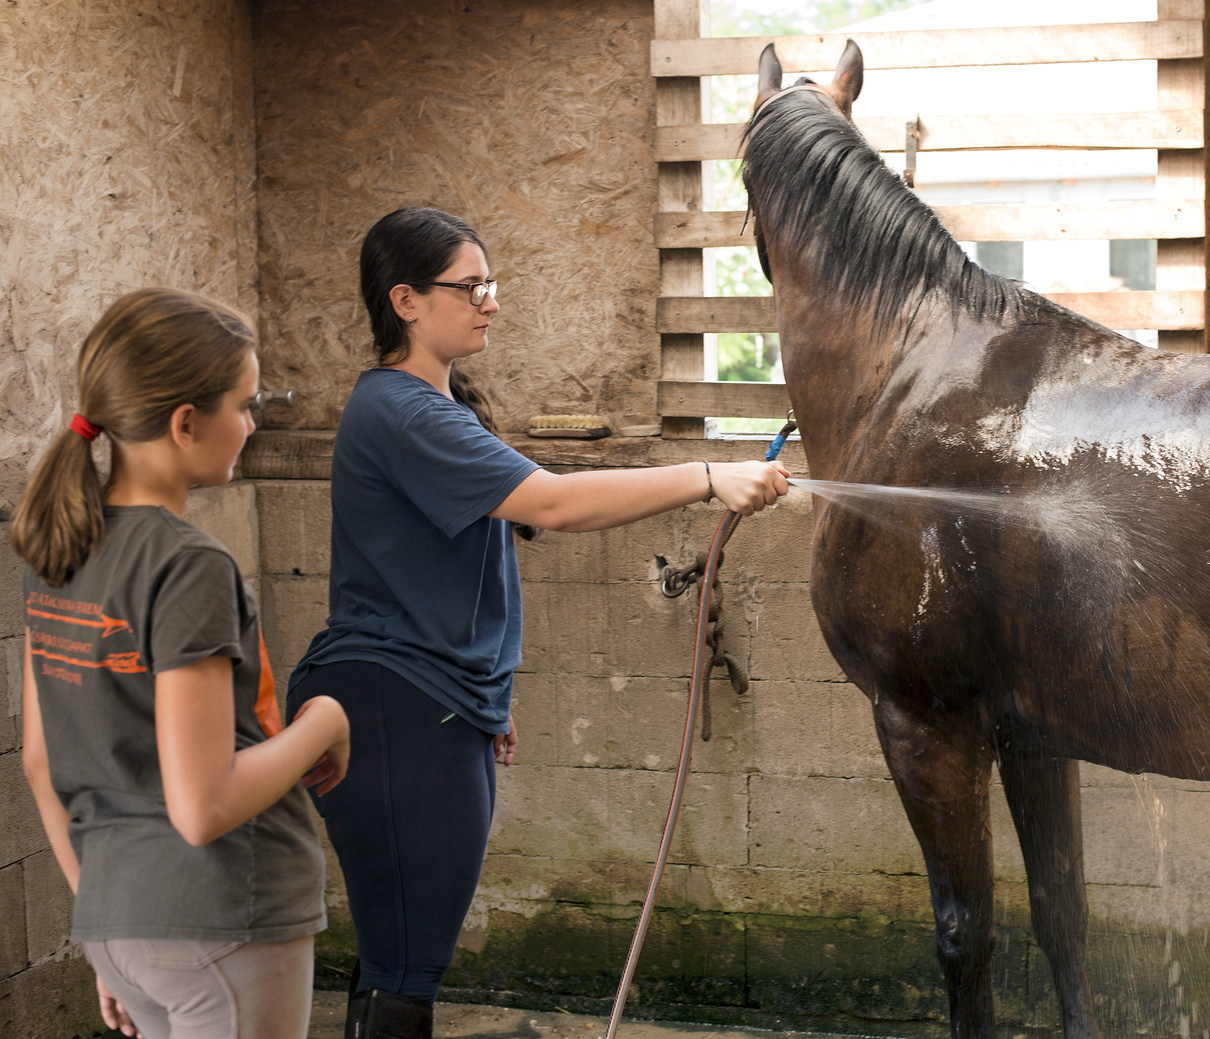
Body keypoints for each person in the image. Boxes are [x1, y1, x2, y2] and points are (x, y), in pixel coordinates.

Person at [285, 205, 789, 1037]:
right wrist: (707, 472)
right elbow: (553, 503)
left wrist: (485, 696)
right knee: (402, 965)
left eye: (491, 284)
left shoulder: (432, 410)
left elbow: (449, 571)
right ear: (405, 300)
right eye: (469, 285)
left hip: (435, 702)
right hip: (397, 705)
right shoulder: (399, 412)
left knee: (407, 961)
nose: (489, 301)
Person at [13, 288, 353, 1039]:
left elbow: (41, 764)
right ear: (185, 422)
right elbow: (202, 807)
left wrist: (107, 934)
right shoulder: (186, 561)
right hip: (224, 916)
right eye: (245, 403)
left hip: (118, 922)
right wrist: (324, 721)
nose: (252, 423)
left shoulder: (55, 548)